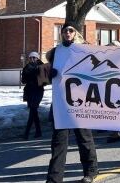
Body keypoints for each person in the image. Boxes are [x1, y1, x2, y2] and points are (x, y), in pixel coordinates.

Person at [45, 23, 99, 183]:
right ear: (61, 34)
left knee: (84, 138)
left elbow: (95, 70)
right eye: (65, 31)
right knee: (58, 143)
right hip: (61, 103)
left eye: (71, 30)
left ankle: (91, 171)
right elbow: (47, 74)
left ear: (75, 33)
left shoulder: (83, 50)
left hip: (80, 101)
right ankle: (54, 179)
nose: (67, 33)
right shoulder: (56, 52)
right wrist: (50, 73)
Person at [21, 51, 45, 140]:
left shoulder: (42, 66)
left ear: (37, 58)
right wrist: (28, 74)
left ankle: (26, 133)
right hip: (29, 91)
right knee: (33, 111)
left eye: (34, 57)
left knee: (33, 110)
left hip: (38, 91)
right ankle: (38, 131)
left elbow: (45, 79)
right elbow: (23, 80)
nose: (32, 59)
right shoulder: (27, 67)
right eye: (30, 58)